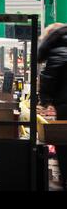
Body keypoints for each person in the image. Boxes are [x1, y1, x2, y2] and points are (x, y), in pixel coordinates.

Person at [38, 22, 67, 191]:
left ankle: (65, 179)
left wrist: (44, 99)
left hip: (65, 105)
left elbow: (49, 76)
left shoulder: (59, 50)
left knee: (63, 142)